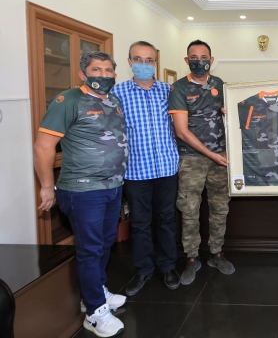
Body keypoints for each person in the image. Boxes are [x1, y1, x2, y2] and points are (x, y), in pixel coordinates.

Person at [33, 51, 128, 337]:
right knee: (90, 249)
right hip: (83, 189)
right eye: (96, 70)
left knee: (106, 242)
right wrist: (47, 186)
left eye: (108, 70)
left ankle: (95, 291)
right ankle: (94, 313)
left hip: (113, 186)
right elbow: (43, 146)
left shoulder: (113, 100)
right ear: (82, 74)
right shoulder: (67, 101)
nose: (103, 75)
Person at [112, 41, 180, 296]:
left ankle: (168, 267)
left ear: (155, 63)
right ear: (129, 62)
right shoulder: (117, 93)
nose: (144, 64)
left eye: (149, 60)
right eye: (138, 59)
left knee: (167, 220)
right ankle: (143, 269)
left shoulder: (169, 91)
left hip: (166, 168)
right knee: (140, 223)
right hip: (136, 171)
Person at [169, 39, 234, 285]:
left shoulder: (220, 84)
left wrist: (229, 111)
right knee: (189, 210)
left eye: (204, 57)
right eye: (194, 58)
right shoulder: (179, 88)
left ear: (211, 60)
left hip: (221, 158)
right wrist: (211, 154)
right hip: (191, 159)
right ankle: (191, 258)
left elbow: (232, 114)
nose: (199, 61)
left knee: (220, 207)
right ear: (187, 61)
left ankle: (216, 253)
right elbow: (182, 131)